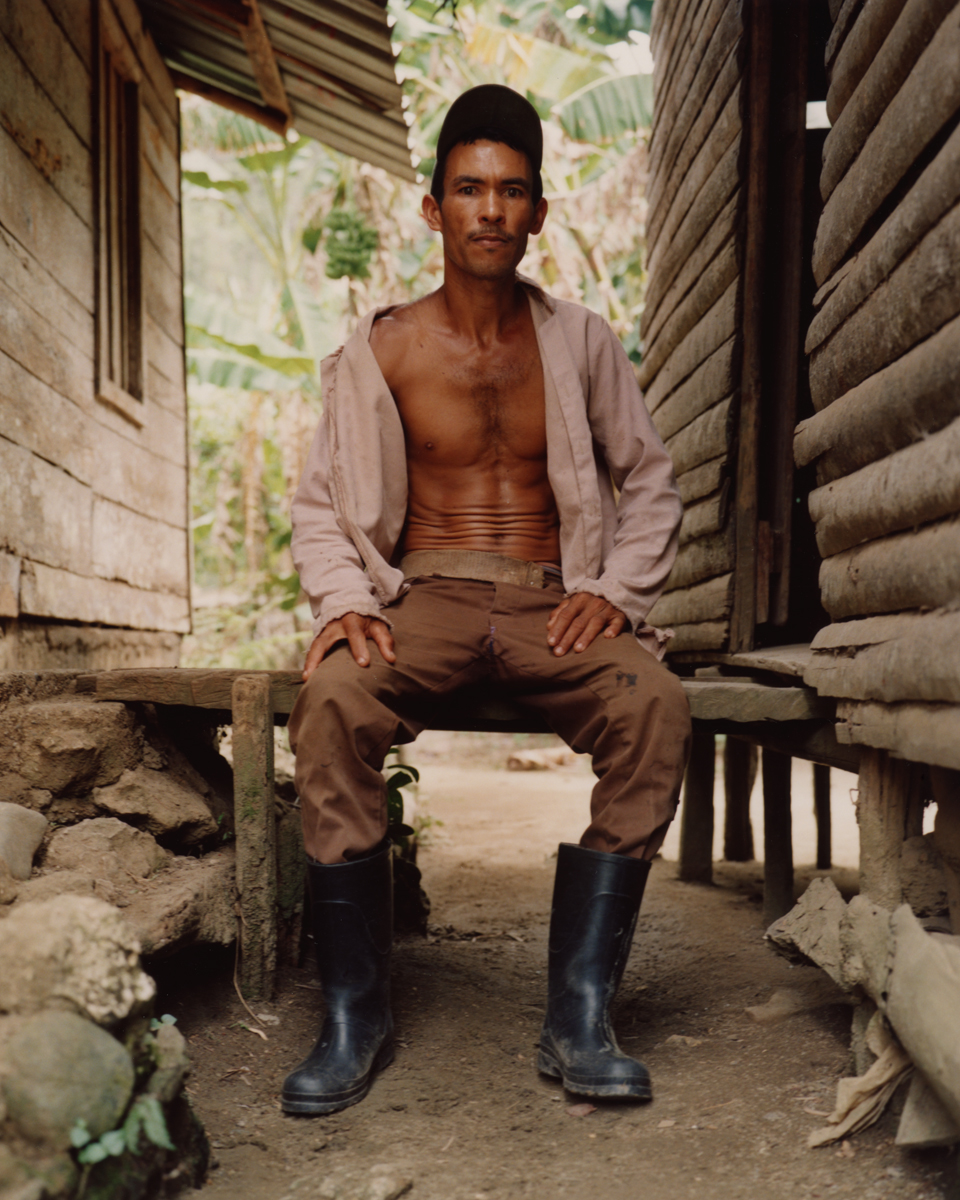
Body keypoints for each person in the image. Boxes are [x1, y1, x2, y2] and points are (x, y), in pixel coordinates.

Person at [281, 84, 691, 1118]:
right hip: (425, 593)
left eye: (512, 191)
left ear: (539, 213)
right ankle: (353, 1012)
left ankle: (580, 1012)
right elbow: (320, 500)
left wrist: (618, 590)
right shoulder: (379, 349)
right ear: (433, 209)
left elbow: (651, 481)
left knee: (654, 705)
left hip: (557, 601)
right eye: (469, 189)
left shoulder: (582, 342)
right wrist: (344, 598)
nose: (491, 210)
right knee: (331, 702)